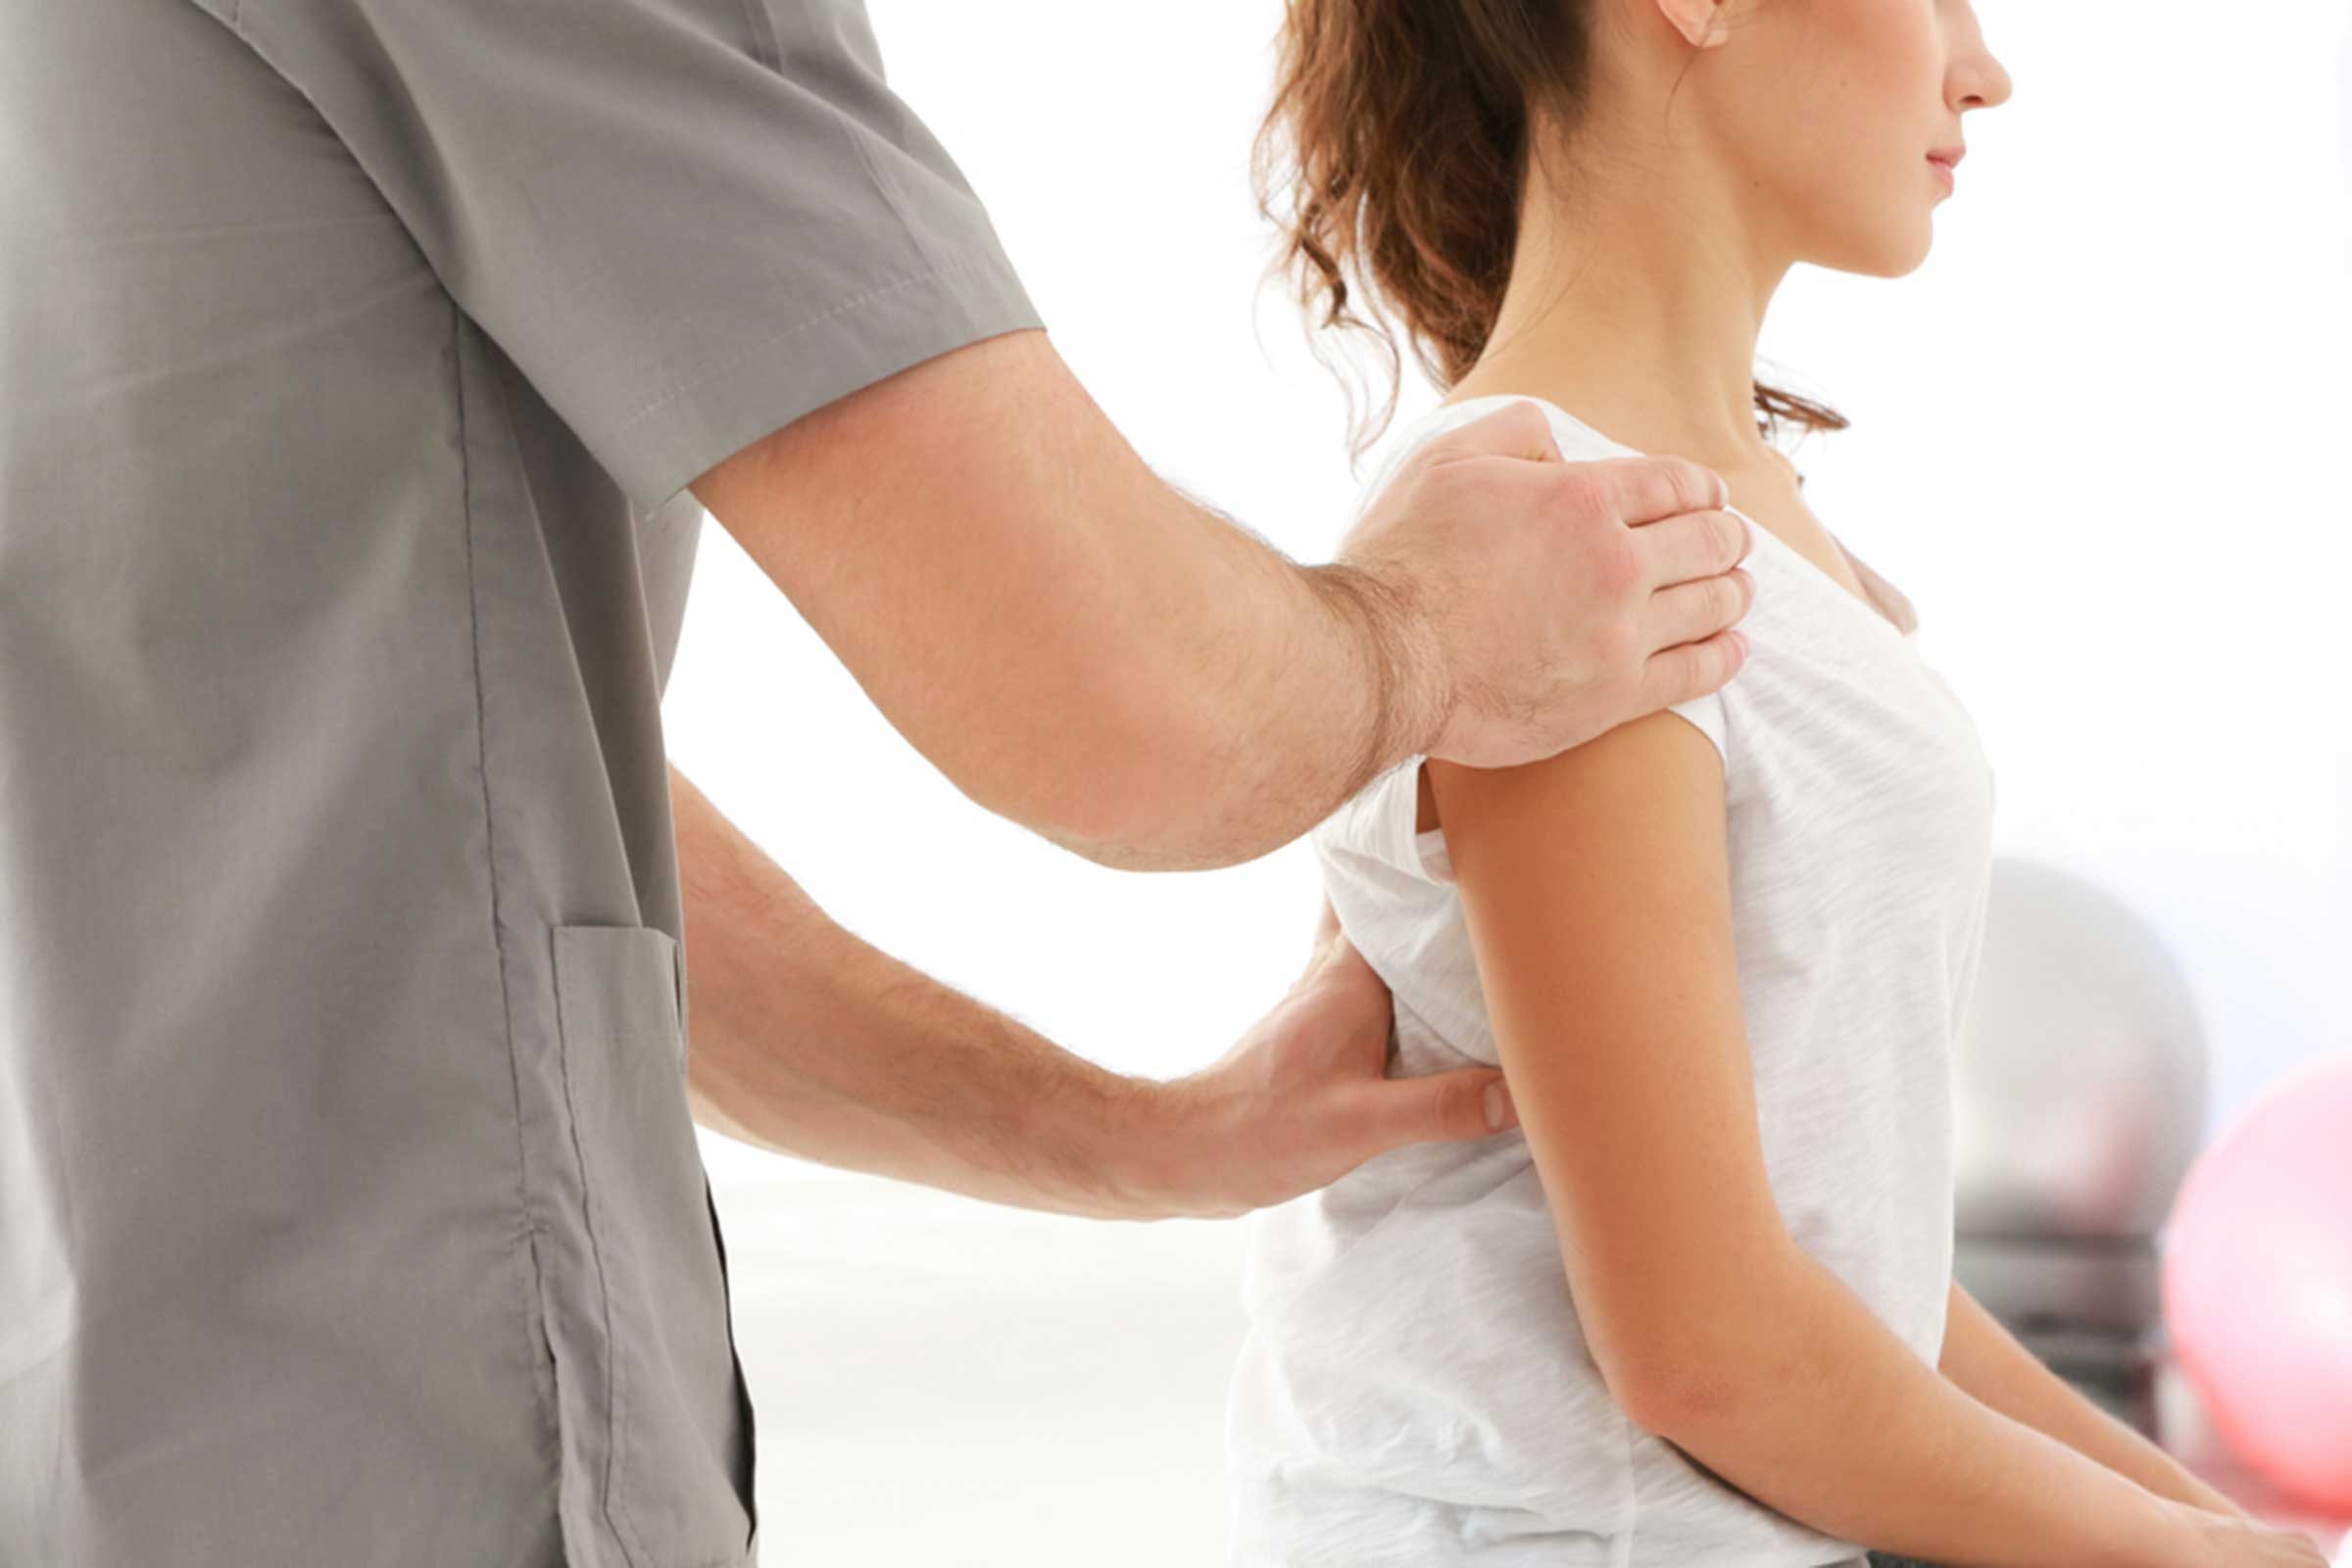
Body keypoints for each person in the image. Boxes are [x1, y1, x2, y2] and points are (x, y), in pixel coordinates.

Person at [0, 0, 1763, 1563]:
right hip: (381, 1438)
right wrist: (1429, 629)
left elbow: (455, 818)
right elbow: (1118, 705)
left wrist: (1154, 1141)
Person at [1221, 3, 2329, 1568]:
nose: (1983, 67)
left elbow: (1844, 1267)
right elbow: (1706, 1351)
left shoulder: (1720, 529)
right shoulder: (1571, 548)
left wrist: (2220, 1535)